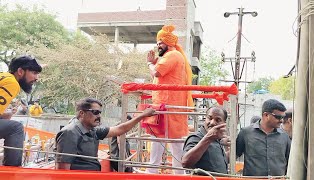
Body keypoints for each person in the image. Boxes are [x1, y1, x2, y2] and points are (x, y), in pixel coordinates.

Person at [55, 98, 155, 171]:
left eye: (99, 113)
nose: (99, 116)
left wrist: (142, 115)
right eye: (95, 112)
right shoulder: (70, 133)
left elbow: (120, 129)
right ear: (81, 113)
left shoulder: (92, 130)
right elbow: (62, 170)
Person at [145, 25, 194, 174]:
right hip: (169, 105)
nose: (158, 45)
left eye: (160, 42)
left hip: (167, 105)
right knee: (174, 141)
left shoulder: (171, 56)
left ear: (168, 42)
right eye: (158, 42)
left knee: (161, 139)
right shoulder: (173, 56)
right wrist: (154, 63)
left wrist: (149, 63)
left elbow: (157, 73)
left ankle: (152, 172)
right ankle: (178, 173)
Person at [0, 55, 42, 166]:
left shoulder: (3, 76)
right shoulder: (12, 83)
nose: (36, 78)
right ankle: (12, 172)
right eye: (34, 73)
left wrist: (4, 115)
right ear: (20, 71)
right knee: (16, 128)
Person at [236, 99, 291, 176]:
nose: (281, 120)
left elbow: (289, 161)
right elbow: (235, 155)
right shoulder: (245, 133)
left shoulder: (284, 136)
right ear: (266, 115)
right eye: (278, 117)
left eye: (283, 117)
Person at [182, 106, 228, 174]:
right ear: (205, 119)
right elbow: (185, 162)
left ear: (224, 123)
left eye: (218, 120)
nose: (212, 122)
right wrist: (208, 138)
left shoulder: (217, 138)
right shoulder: (196, 138)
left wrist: (229, 150)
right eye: (210, 118)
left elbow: (216, 163)